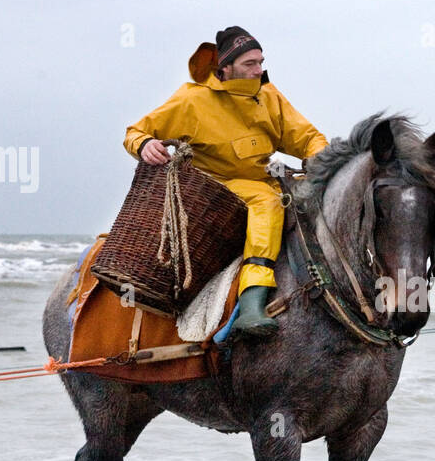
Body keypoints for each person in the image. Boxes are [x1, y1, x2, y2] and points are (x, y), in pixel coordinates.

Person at [124, 26, 328, 338]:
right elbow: (136, 131)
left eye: (260, 62)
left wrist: (323, 160)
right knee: (267, 202)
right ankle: (251, 302)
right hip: (216, 190)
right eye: (250, 64)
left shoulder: (269, 95)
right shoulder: (191, 100)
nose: (259, 70)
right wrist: (143, 145)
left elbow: (307, 138)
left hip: (267, 180)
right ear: (225, 68)